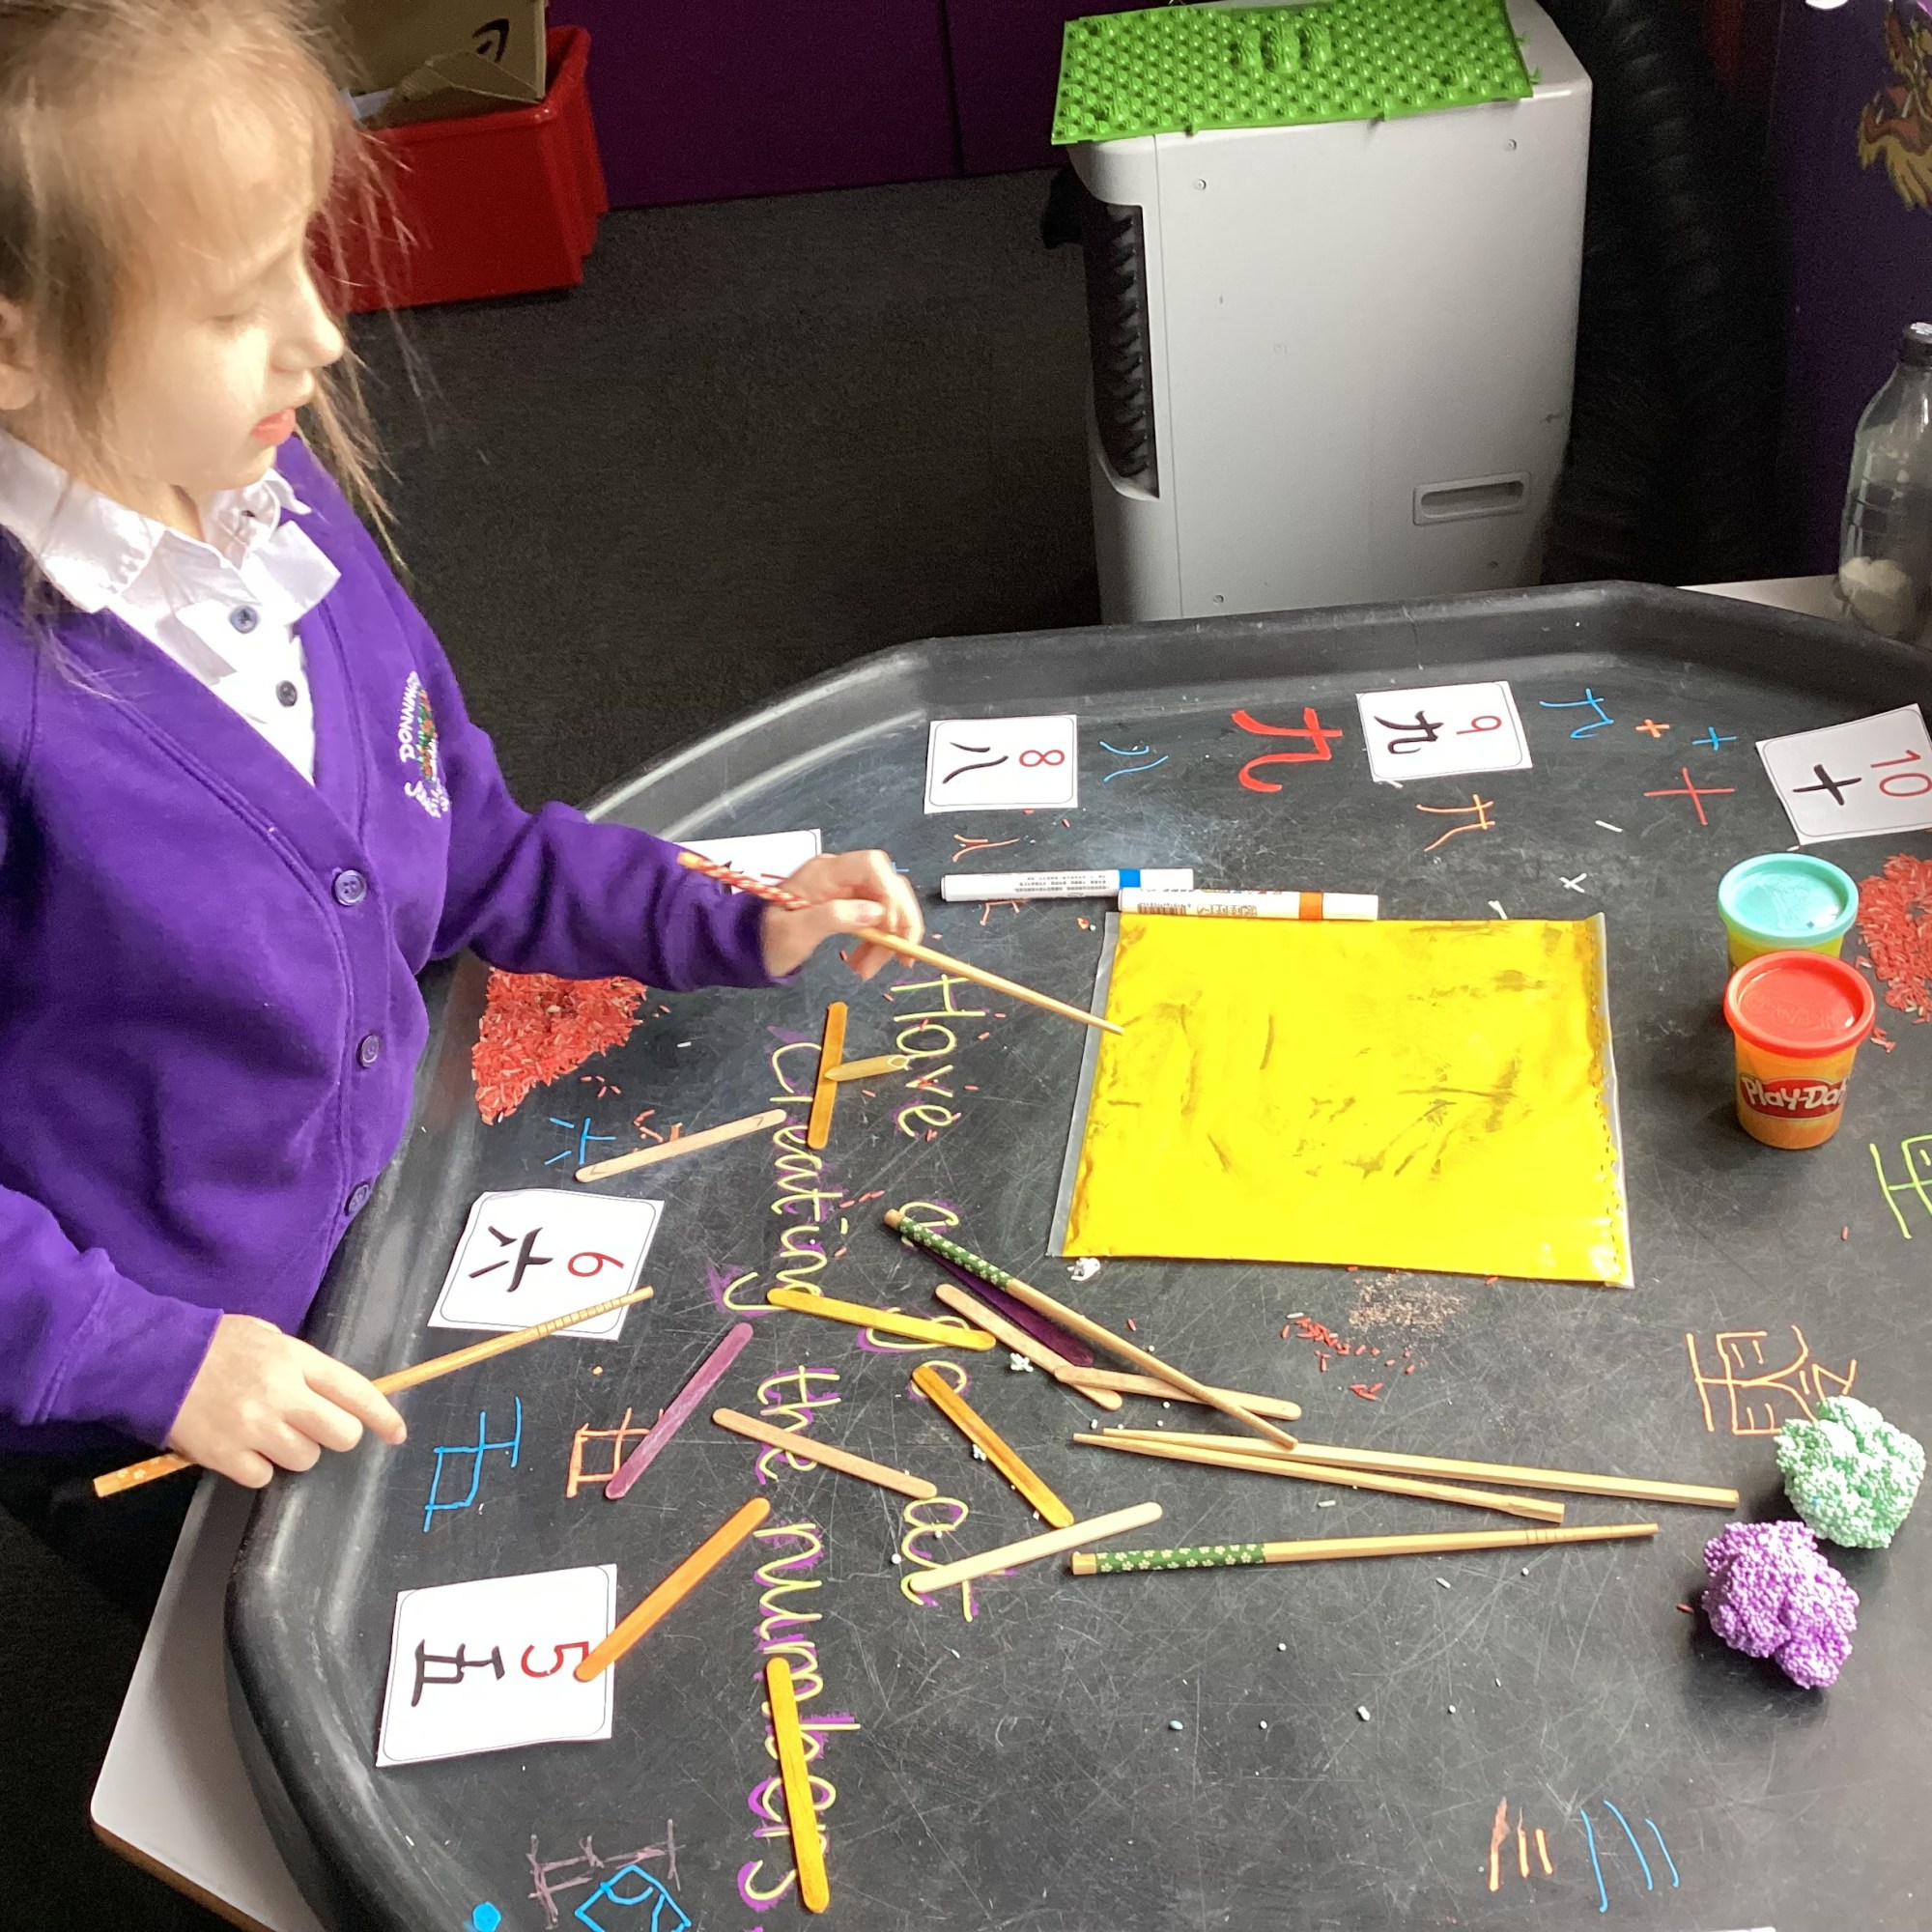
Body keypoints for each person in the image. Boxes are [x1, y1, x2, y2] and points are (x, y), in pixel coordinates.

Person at [0, 0, 922, 1617]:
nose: (319, 336)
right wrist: (141, 1355)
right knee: (255, 1672)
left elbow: (465, 846)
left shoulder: (271, 502)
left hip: (379, 1260)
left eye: (305, 258)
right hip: (153, 1392)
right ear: (16, 347)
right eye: (234, 305)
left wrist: (727, 911)